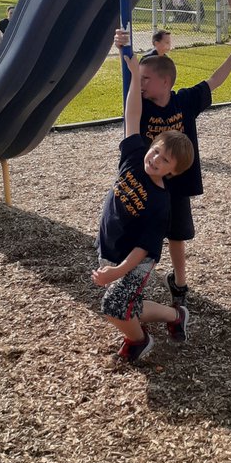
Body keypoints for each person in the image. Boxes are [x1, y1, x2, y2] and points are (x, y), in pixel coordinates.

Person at [115, 29, 231, 307]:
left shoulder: (184, 101)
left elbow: (213, 82)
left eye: (147, 79)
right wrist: (125, 52)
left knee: (177, 234)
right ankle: (132, 280)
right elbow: (131, 108)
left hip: (177, 182)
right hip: (147, 184)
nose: (142, 84)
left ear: (165, 82)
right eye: (141, 79)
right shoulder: (142, 106)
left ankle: (179, 282)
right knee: (142, 234)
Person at [91, 46, 195, 364]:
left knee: (113, 307)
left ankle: (139, 340)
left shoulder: (160, 203)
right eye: (156, 151)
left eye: (164, 161)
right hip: (115, 246)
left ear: (172, 172)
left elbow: (144, 248)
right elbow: (132, 115)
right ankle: (176, 315)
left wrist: (117, 272)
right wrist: (135, 75)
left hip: (137, 259)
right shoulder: (135, 155)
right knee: (130, 305)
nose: (155, 159)